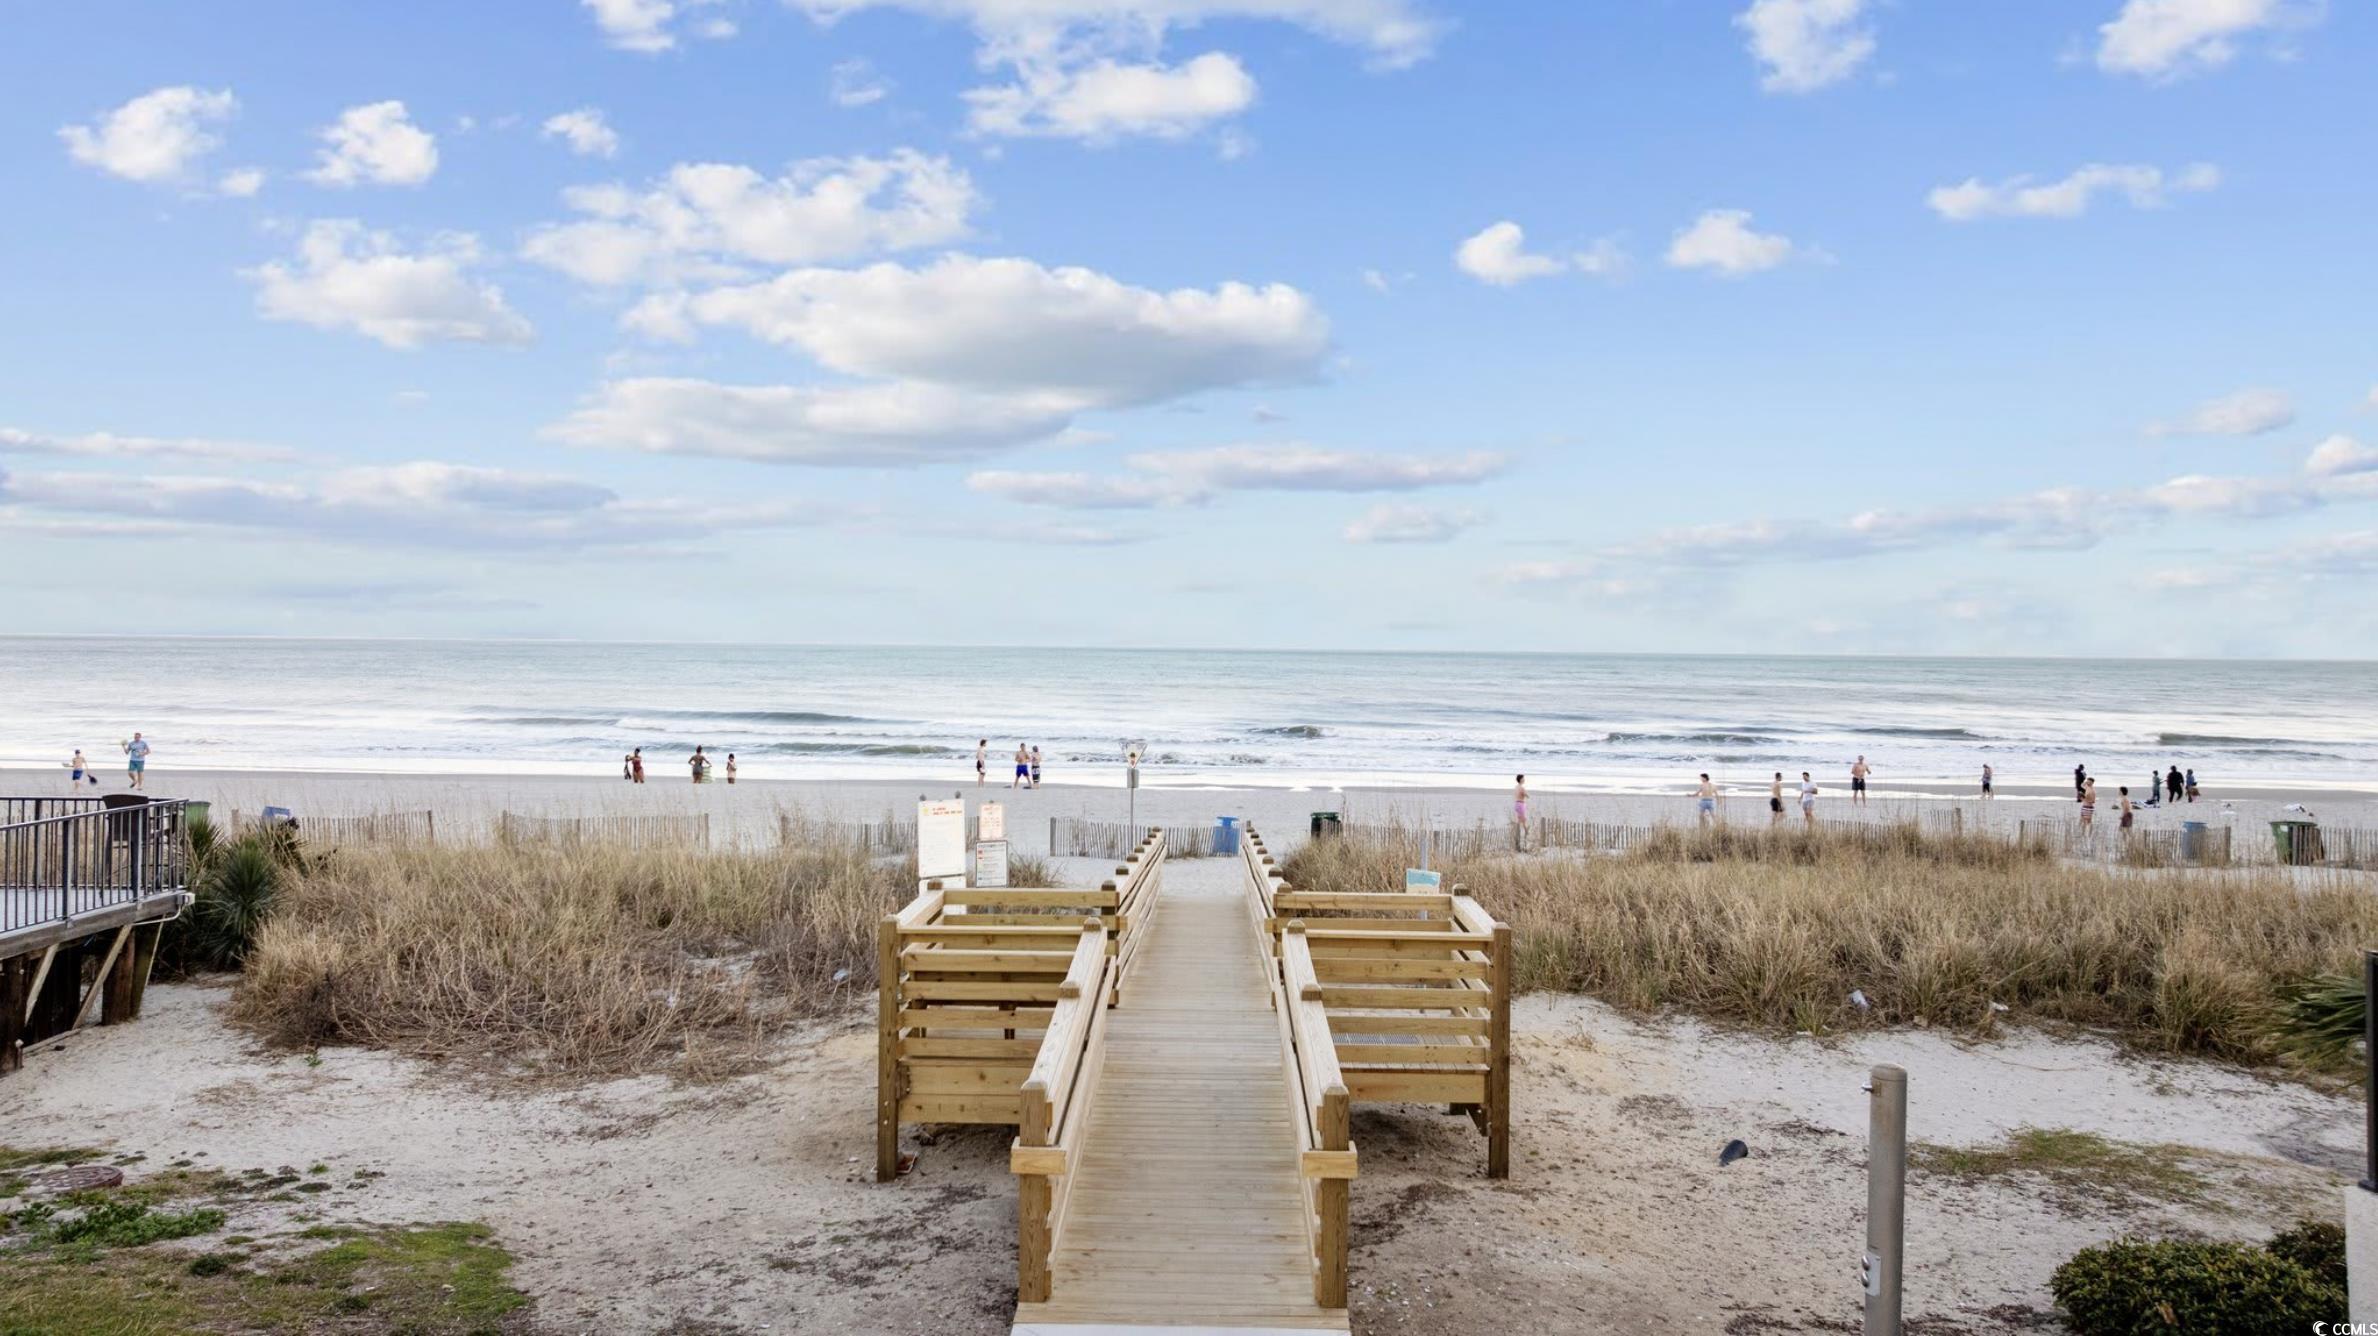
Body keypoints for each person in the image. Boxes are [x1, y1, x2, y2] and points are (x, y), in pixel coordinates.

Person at [1513, 775, 1529, 847]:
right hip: (1520, 804)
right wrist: (1526, 795)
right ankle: (1526, 832)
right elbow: (1526, 795)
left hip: (1517, 804)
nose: (1524, 779)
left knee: (1520, 819)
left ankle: (1522, 832)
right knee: (1523, 820)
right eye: (1523, 778)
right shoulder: (1521, 788)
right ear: (1520, 779)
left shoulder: (1516, 787)